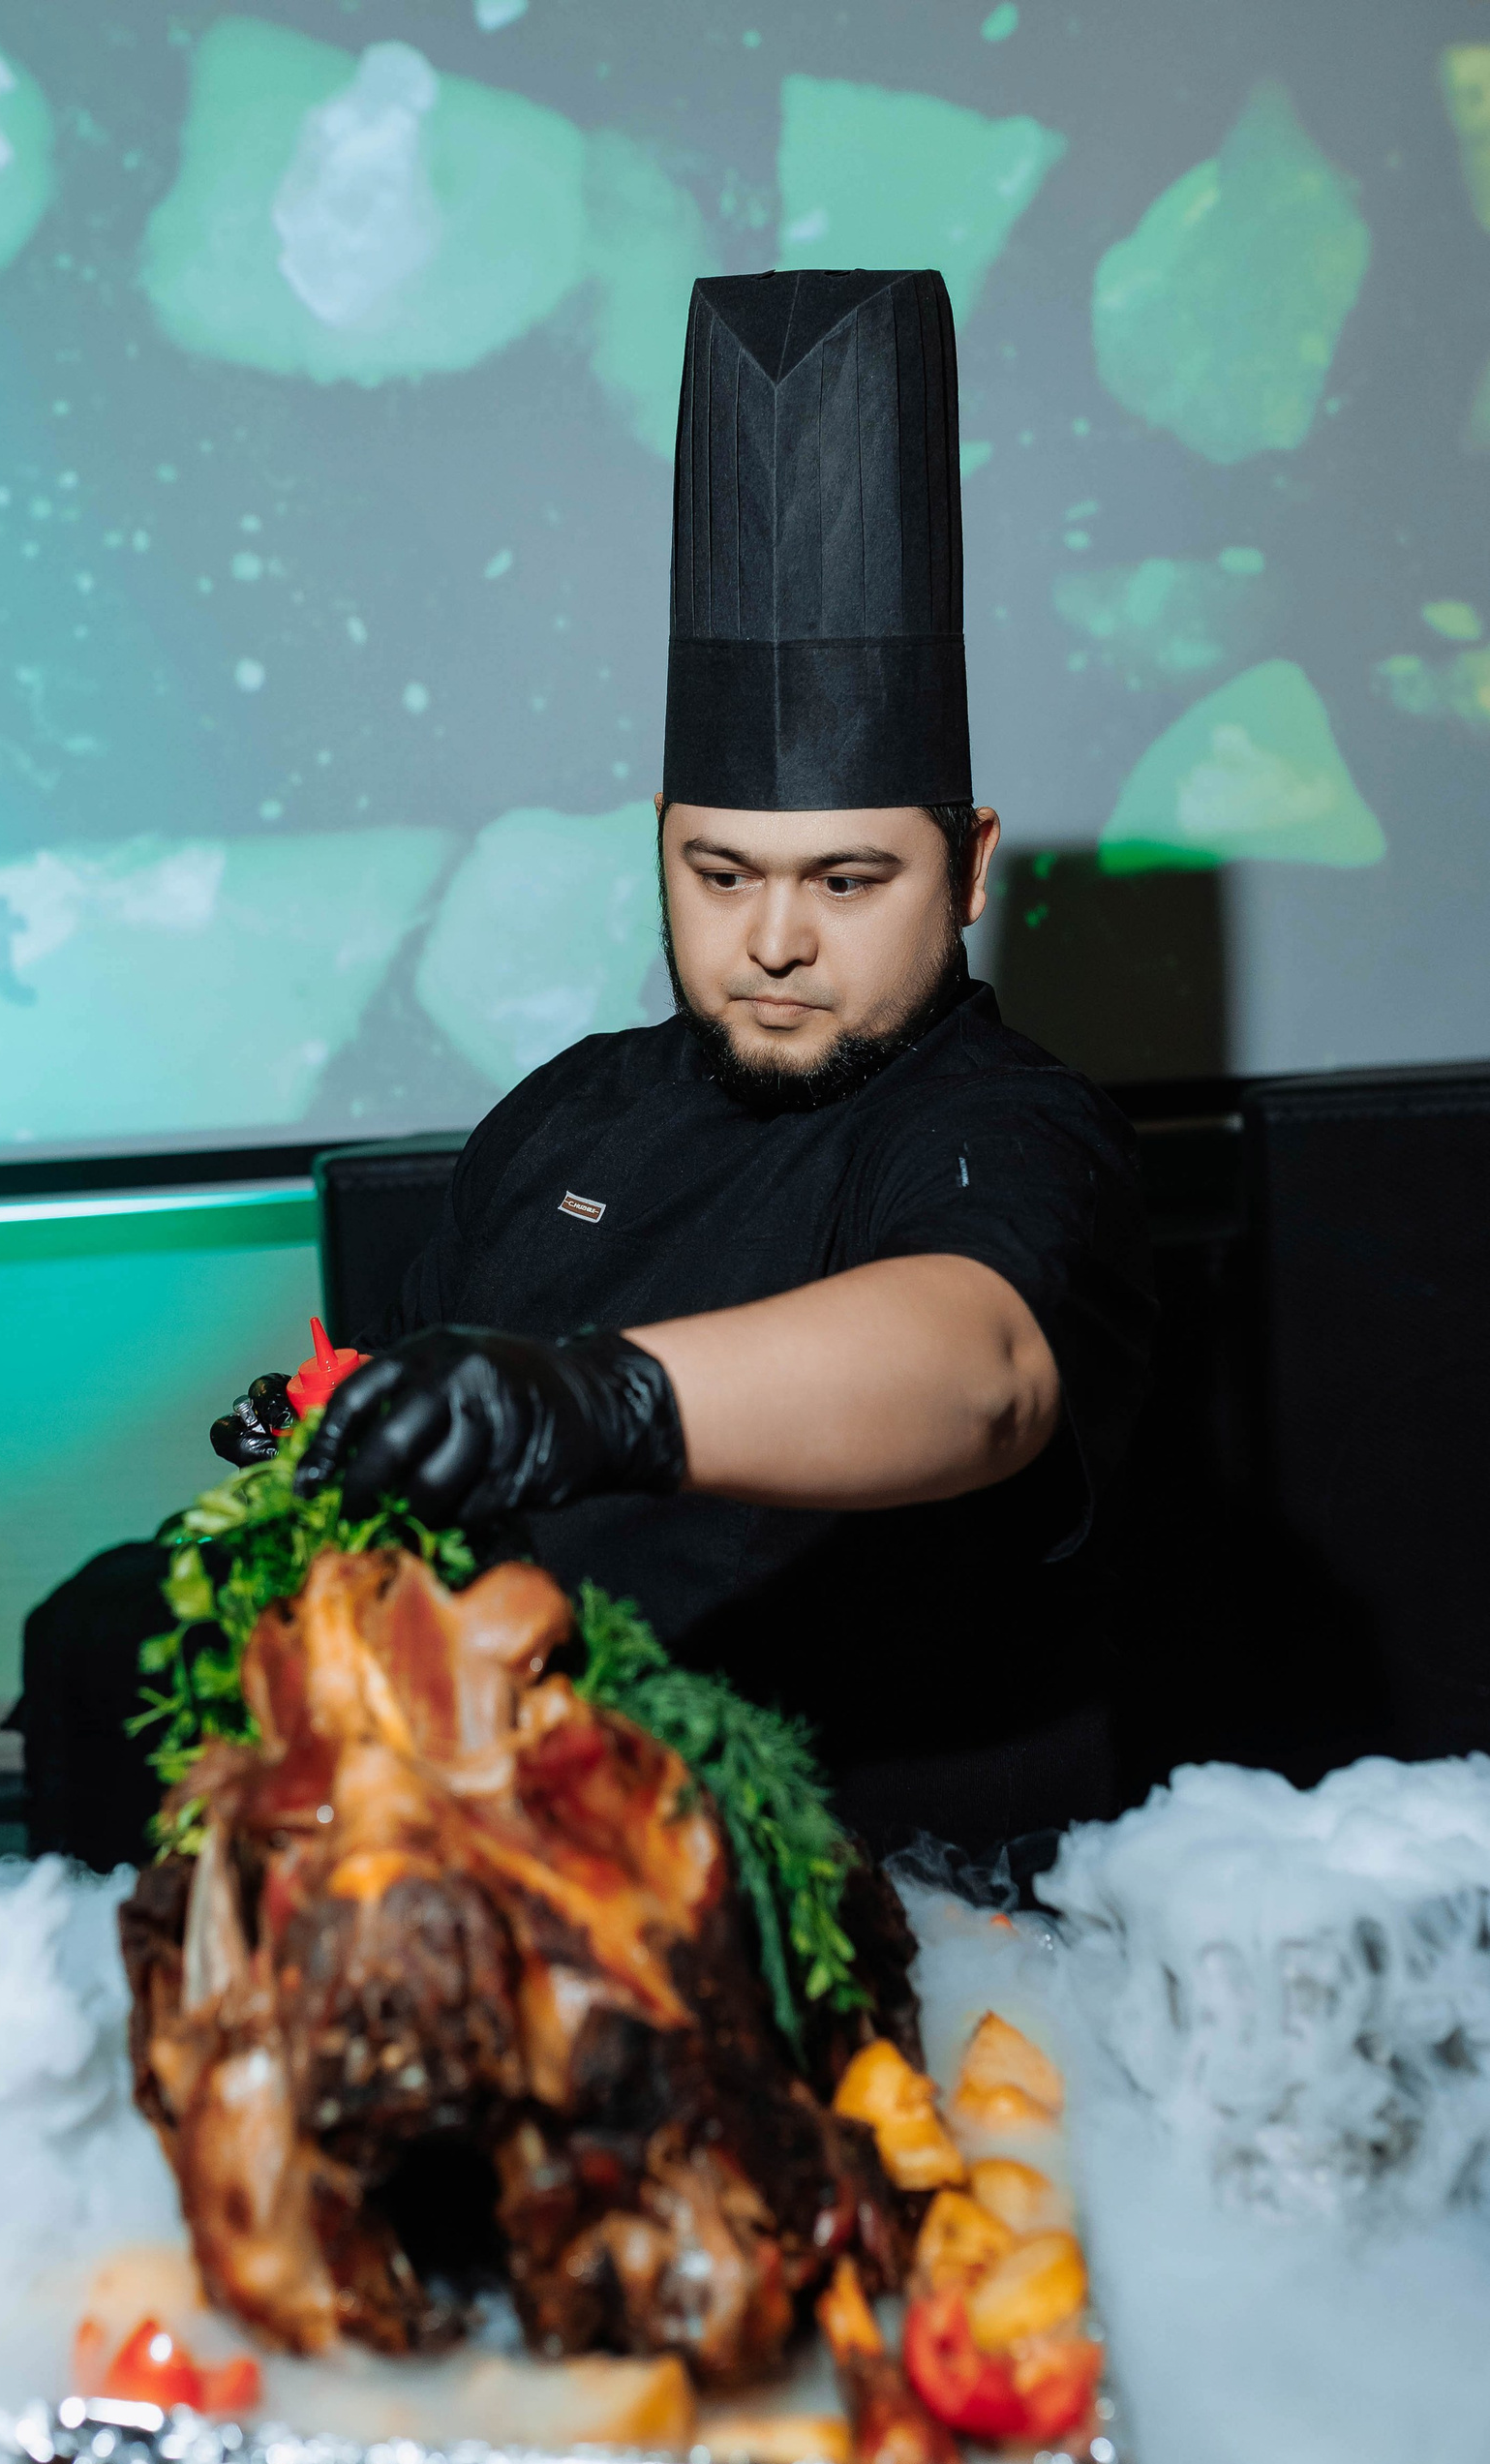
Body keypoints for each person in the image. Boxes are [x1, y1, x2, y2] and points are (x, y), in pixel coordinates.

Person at [211, 268, 1156, 1864]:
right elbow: (423, 1420)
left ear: (971, 864)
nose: (775, 941)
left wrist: (587, 1400)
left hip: (886, 1895)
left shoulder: (1009, 1126)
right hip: (518, 1861)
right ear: (661, 843)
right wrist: (352, 1428)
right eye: (721, 875)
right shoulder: (569, 1111)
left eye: (848, 880)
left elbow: (981, 1370)